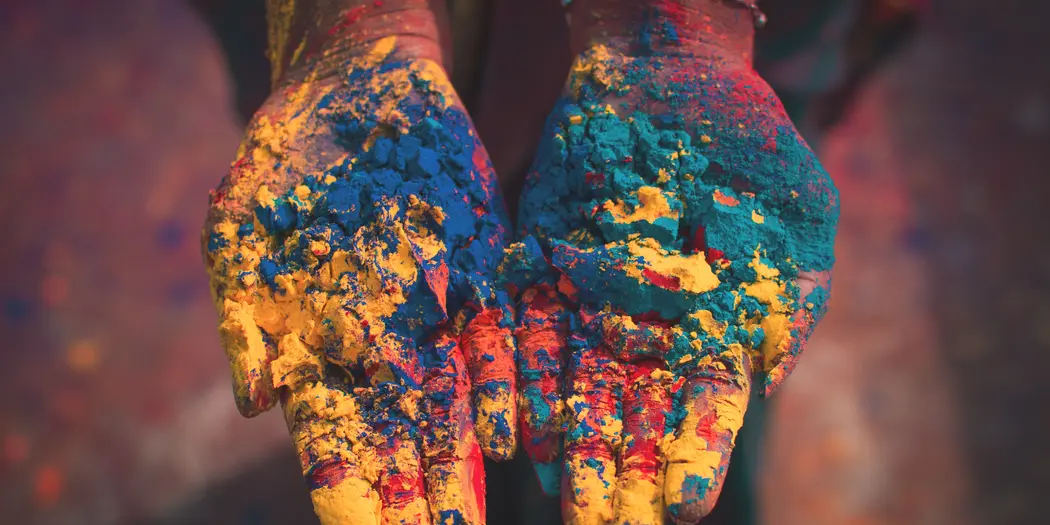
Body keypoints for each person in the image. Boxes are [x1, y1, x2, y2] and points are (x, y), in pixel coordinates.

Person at [195, 1, 920, 523]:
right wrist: (355, 25)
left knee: (692, 365)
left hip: (723, 58)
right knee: (485, 319)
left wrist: (681, 27)